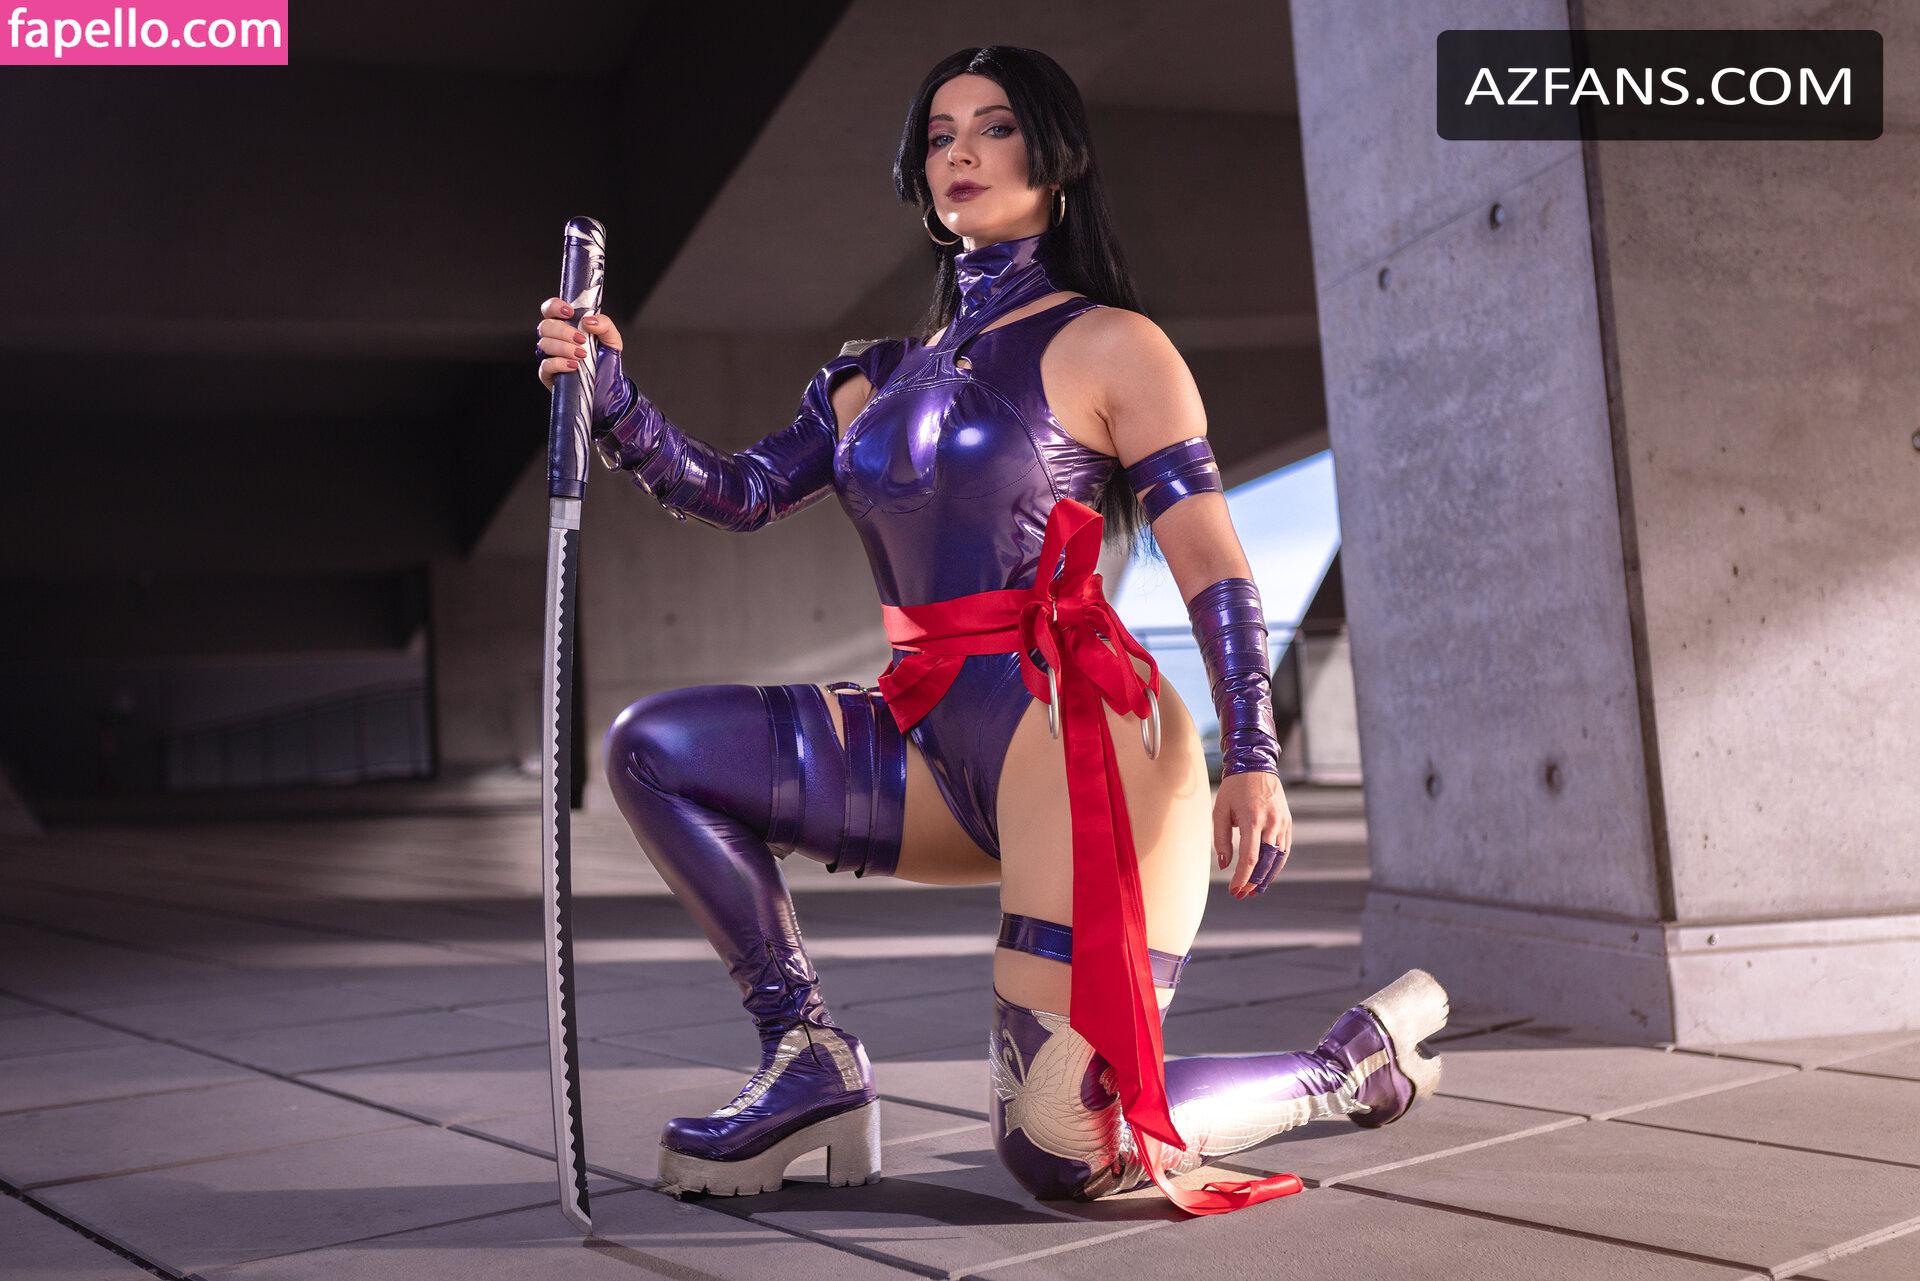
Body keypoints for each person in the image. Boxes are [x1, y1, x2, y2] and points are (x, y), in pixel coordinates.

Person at [533, 45, 1449, 1215]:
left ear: (1056, 157)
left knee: (1063, 1143)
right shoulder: (869, 379)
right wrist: (613, 400)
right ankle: (805, 1054)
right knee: (654, 748)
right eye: (939, 135)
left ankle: (1344, 1068)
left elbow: (1213, 564)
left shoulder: (1114, 345)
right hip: (926, 732)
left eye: (995, 127)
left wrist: (1256, 755)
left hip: (1084, 741)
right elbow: (739, 492)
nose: (960, 152)